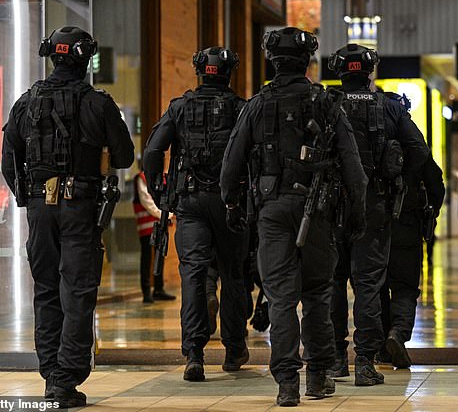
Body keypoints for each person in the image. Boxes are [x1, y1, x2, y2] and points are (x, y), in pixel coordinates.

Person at [221, 27, 368, 407]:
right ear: (308, 61)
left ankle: (287, 383)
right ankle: (317, 377)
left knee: (280, 297)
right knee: (317, 292)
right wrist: (357, 215)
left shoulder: (256, 104)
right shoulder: (326, 103)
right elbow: (354, 169)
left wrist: (233, 204)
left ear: (272, 60)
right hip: (318, 212)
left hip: (271, 213)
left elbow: (231, 166)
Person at [1, 26, 134, 408]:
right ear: (84, 58)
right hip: (79, 208)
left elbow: (10, 158)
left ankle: (50, 375)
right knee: (77, 292)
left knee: (45, 291)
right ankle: (65, 379)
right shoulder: (98, 103)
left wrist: (27, 198)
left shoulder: (27, 102)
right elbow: (124, 157)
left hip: (40, 210)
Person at [326, 44, 430, 386]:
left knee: (333, 282)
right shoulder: (389, 107)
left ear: (339, 71)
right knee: (369, 283)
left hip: (334, 207)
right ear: (369, 71)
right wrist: (397, 181)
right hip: (375, 205)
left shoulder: (327, 104)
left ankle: (336, 359)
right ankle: (366, 362)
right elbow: (418, 151)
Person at [143, 46, 250, 382]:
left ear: (199, 71)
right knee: (234, 275)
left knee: (193, 275)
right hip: (231, 203)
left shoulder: (179, 107)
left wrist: (159, 192)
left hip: (189, 203)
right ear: (231, 71)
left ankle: (195, 354)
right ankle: (233, 350)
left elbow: (152, 151)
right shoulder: (241, 109)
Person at [378, 154, 445, 368]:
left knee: (376, 287)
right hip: (407, 225)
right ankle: (398, 333)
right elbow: (436, 181)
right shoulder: (412, 143)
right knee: (405, 287)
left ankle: (381, 348)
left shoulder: (369, 136)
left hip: (374, 227)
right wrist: (430, 211)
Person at [133, 170, 176, 303]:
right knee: (147, 257)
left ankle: (158, 289)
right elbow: (146, 201)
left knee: (161, 255)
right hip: (147, 224)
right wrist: (166, 215)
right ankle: (146, 291)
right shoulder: (141, 177)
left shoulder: (163, 177)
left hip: (160, 222)